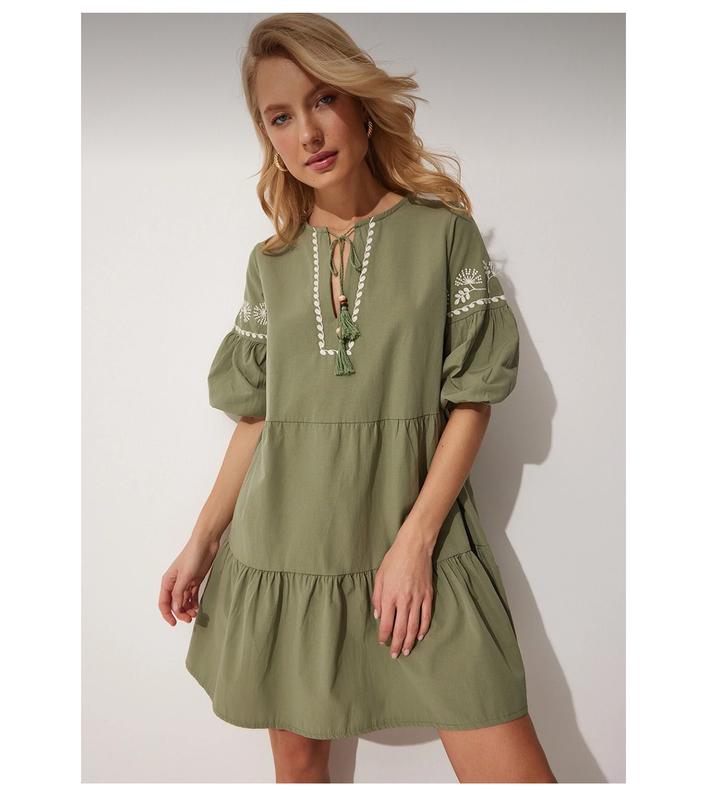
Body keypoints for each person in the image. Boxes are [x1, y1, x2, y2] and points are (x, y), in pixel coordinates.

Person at [158, 12, 557, 784]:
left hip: (417, 539)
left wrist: (414, 544)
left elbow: (473, 399)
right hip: (284, 555)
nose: (307, 131)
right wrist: (201, 541)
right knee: (301, 775)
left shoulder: (443, 234)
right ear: (267, 137)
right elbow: (257, 418)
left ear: (360, 105)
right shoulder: (271, 263)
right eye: (280, 117)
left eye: (323, 100)